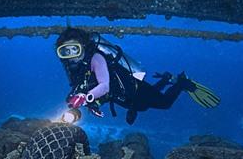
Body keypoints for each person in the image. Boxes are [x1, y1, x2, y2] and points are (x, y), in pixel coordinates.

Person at [55, 27, 220, 125]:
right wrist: (92, 103)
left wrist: (86, 98)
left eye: (74, 49)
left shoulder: (96, 59)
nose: (71, 56)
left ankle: (182, 83)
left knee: (165, 103)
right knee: (143, 104)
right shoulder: (78, 69)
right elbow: (92, 88)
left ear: (83, 46)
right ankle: (166, 79)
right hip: (126, 97)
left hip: (135, 91)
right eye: (65, 52)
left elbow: (104, 85)